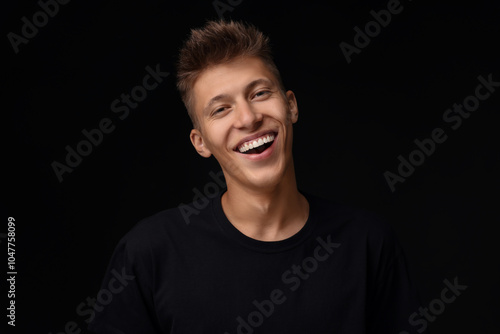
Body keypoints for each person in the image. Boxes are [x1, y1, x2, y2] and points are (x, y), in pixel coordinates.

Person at [88, 20, 428, 334]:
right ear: (200, 141)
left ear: (291, 106)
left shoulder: (367, 243)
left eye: (259, 93)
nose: (248, 118)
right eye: (221, 109)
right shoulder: (149, 252)